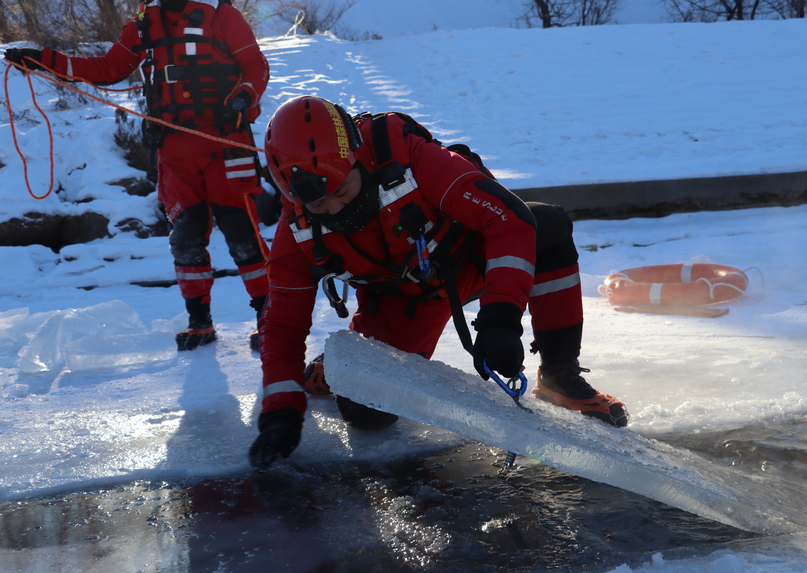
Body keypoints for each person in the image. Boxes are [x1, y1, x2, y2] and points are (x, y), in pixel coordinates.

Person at [248, 95, 628, 471]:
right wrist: (280, 414)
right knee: (366, 414)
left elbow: (508, 220)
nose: (337, 212)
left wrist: (500, 319)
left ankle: (561, 376)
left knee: (546, 226)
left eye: (343, 192)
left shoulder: (406, 155)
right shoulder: (295, 233)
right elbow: (281, 326)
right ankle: (340, 365)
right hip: (404, 301)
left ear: (357, 158)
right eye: (319, 207)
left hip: (467, 260)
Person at [4, 0, 270, 352]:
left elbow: (255, 65)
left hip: (225, 143)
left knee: (242, 234)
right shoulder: (145, 23)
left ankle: (270, 319)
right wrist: (43, 59)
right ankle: (199, 322)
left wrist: (244, 95)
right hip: (174, 153)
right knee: (185, 240)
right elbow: (108, 67)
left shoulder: (222, 14)